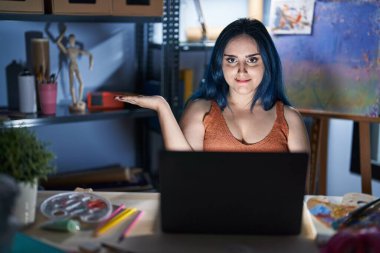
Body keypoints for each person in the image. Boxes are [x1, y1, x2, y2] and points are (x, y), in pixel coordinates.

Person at [115, 18, 310, 153]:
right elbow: (184, 172)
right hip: (210, 213)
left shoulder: (290, 119)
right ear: (220, 65)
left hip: (273, 214)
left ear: (267, 63)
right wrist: (161, 106)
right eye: (232, 60)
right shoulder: (200, 111)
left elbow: (300, 191)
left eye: (252, 60)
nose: (241, 71)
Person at [56, 25, 93, 112]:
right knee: (72, 84)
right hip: (71, 66)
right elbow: (58, 42)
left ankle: (79, 100)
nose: (72, 41)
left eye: (73, 39)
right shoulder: (67, 49)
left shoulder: (77, 49)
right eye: (70, 39)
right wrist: (63, 33)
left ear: (74, 40)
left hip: (76, 65)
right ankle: (74, 101)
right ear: (69, 40)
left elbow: (90, 54)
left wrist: (91, 64)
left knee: (81, 83)